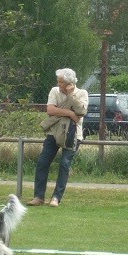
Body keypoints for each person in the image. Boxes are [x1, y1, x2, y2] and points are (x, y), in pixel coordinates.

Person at [28, 68, 88, 207]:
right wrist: (69, 113)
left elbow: (80, 112)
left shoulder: (82, 93)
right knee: (43, 162)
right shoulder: (54, 91)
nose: (59, 84)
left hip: (73, 134)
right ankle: (39, 196)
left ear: (69, 83)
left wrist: (71, 95)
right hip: (53, 133)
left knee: (64, 165)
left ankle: (56, 197)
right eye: (58, 81)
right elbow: (50, 110)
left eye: (61, 82)